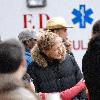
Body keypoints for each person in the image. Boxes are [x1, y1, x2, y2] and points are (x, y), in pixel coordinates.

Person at [27, 31, 87, 99]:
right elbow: (35, 95)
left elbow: (81, 83)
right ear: (45, 51)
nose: (60, 50)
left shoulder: (70, 59)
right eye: (56, 49)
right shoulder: (33, 68)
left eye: (61, 46)